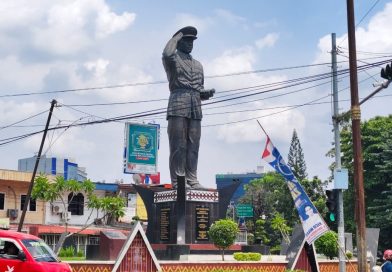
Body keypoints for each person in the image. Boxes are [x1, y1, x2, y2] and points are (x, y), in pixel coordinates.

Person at [162, 26, 215, 189]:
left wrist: (205, 93)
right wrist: (175, 38)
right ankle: (179, 181)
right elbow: (166, 54)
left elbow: (199, 88)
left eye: (192, 41)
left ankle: (192, 179)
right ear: (179, 42)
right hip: (178, 102)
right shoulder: (172, 59)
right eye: (186, 40)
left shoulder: (198, 65)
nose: (190, 44)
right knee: (178, 145)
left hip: (195, 106)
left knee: (193, 145)